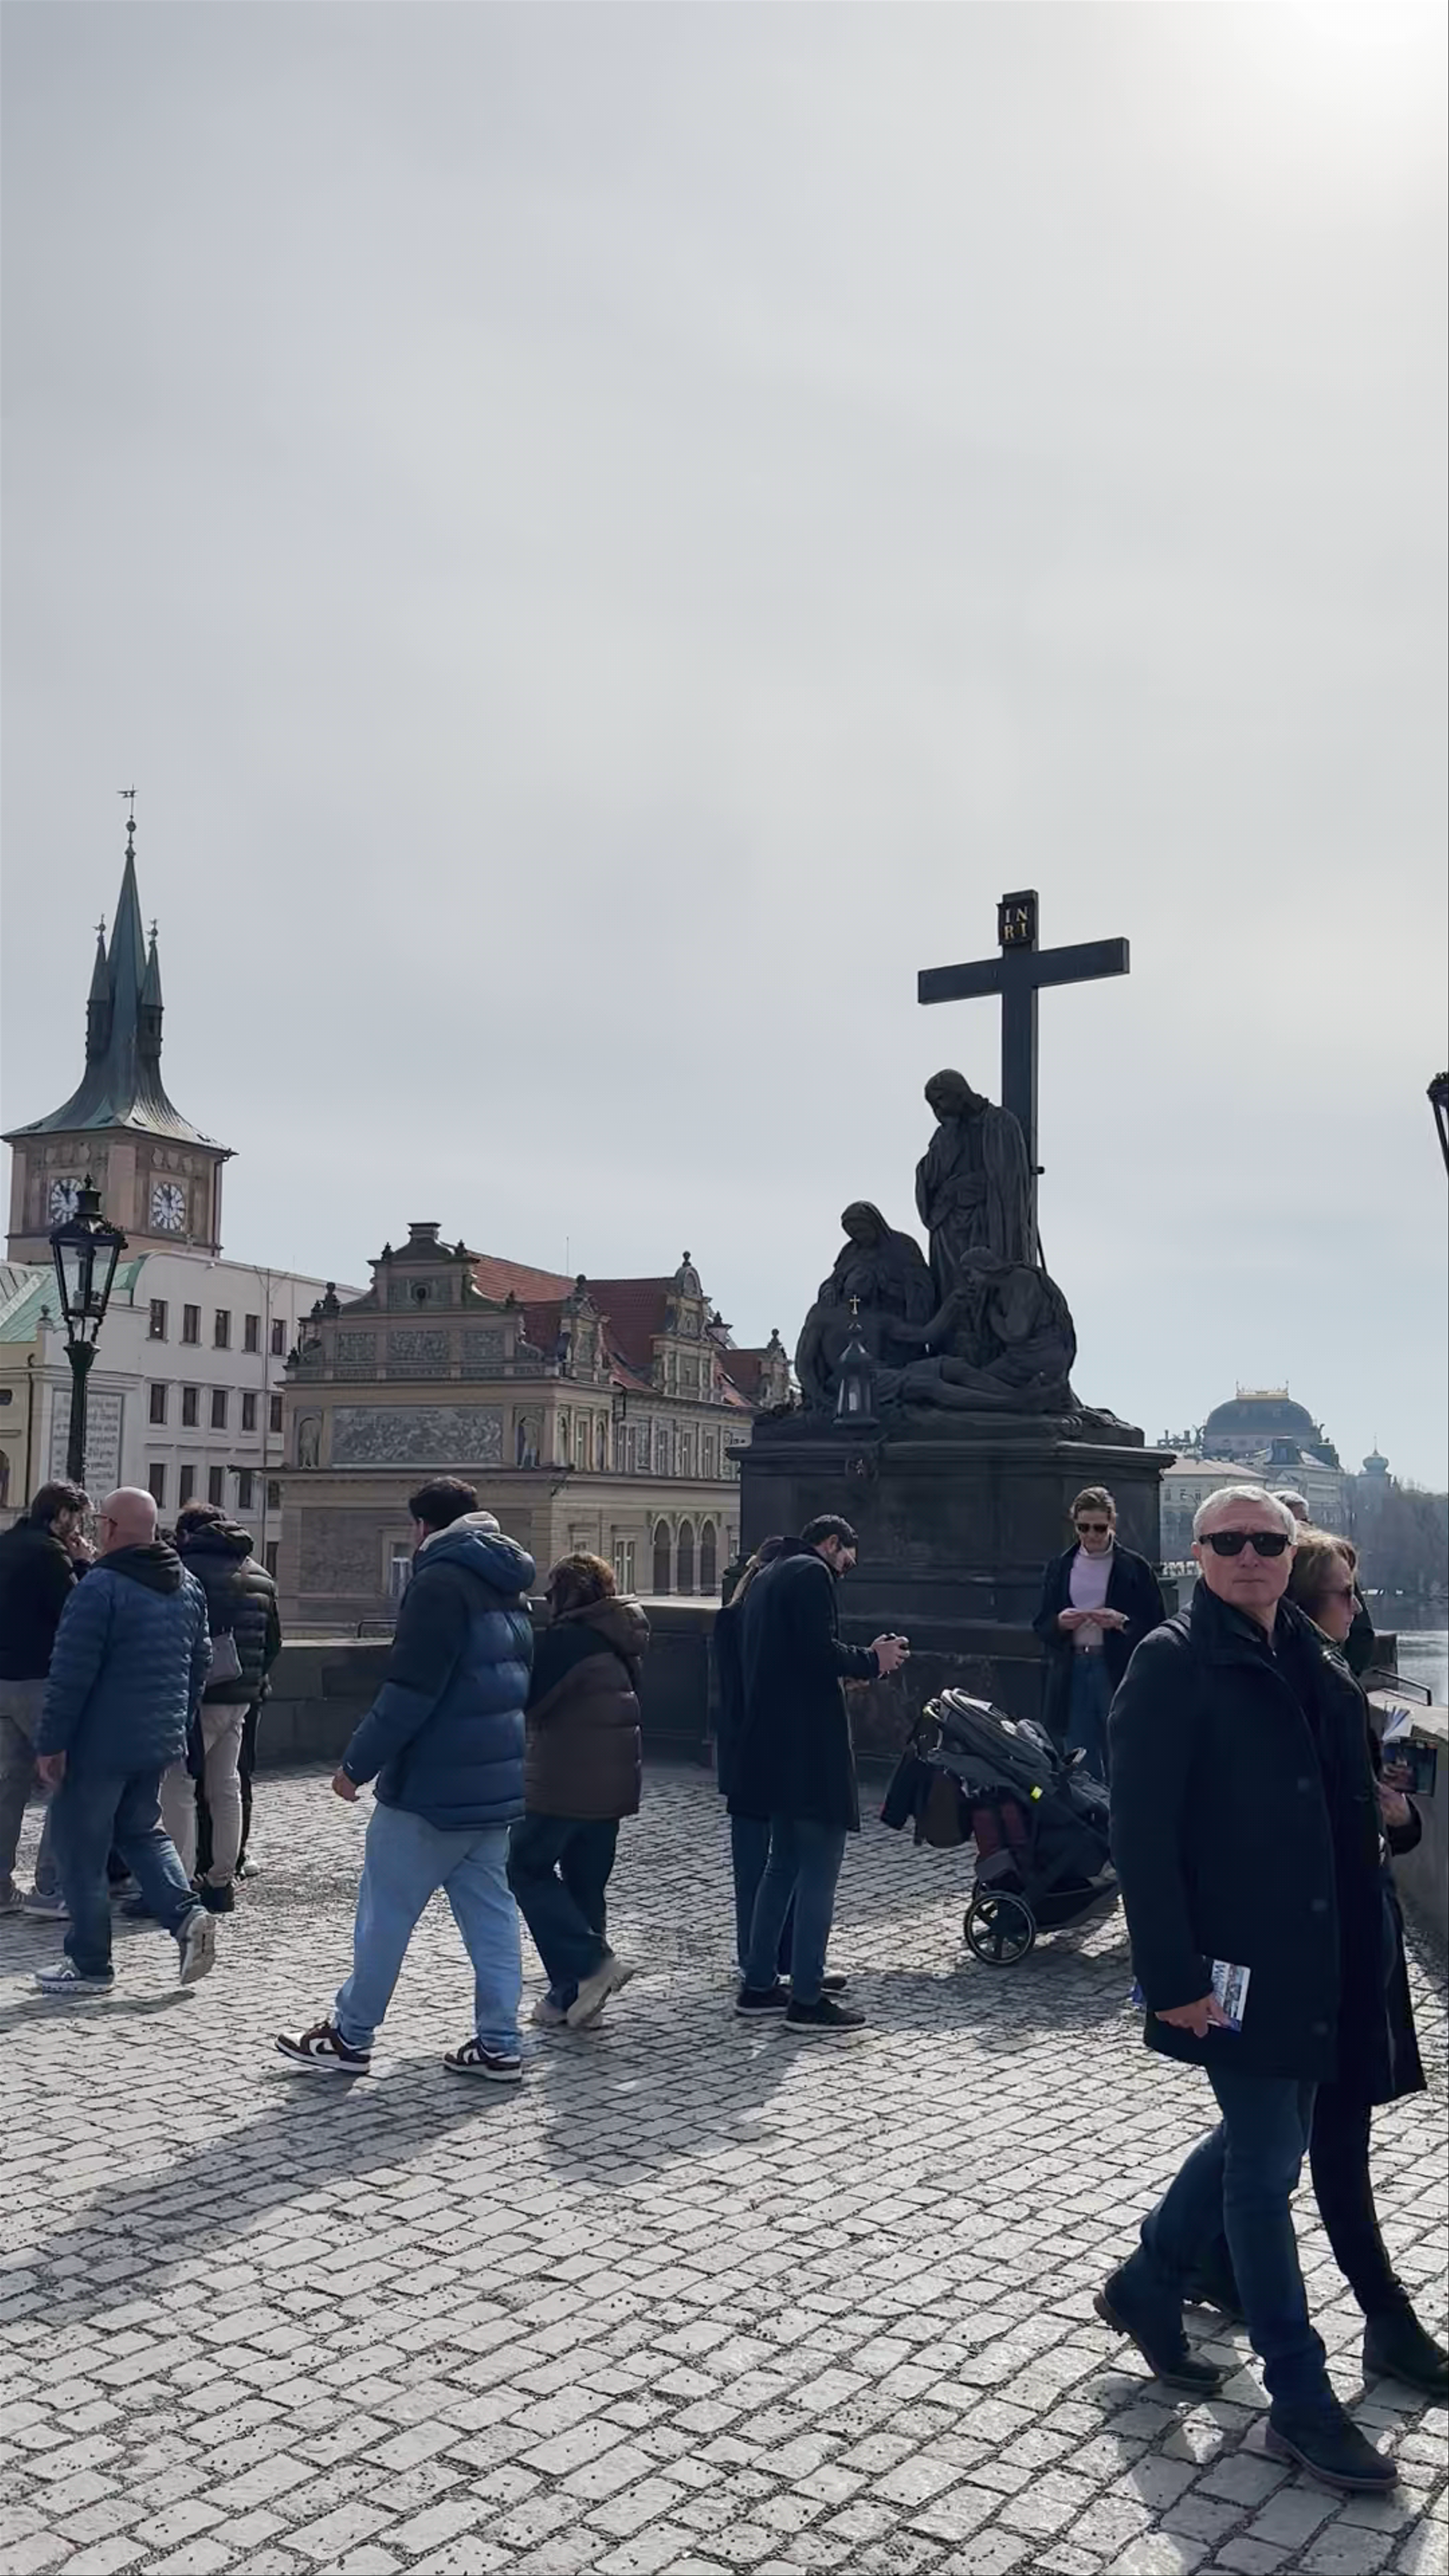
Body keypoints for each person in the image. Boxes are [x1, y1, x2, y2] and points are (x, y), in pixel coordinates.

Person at [1103, 1485, 1398, 2496]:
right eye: (1230, 1542)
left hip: (1315, 1953)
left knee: (1258, 2135)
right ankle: (1301, 2399)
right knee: (1269, 2163)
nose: (1251, 1555)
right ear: (1197, 1553)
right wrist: (1172, 1977)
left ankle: (1150, 2279)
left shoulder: (1306, 1654)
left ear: (1288, 1553)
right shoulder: (1174, 1661)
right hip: (1234, 1963)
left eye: (1269, 1541)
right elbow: (1139, 1836)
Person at [1188, 1527, 1446, 2400]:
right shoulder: (1276, 1692)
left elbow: (1379, 1828)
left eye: (1357, 1590)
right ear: (1298, 1605)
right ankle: (1379, 2322)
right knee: (1318, 2139)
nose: (1358, 1608)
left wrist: (1396, 1815)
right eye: (1342, 1593)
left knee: (1270, 2138)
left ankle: (1166, 2270)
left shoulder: (1344, 1684)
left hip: (1357, 1938)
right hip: (1310, 1953)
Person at [275, 1481, 533, 2081]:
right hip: (493, 1782)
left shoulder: (440, 1581)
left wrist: (355, 1766)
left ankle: (351, 2033)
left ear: (422, 1526)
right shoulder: (508, 1579)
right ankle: (500, 2042)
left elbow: (412, 1689)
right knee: (493, 1916)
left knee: (385, 1912)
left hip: (432, 1787)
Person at [32, 1487, 217, 1996]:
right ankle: (186, 1915)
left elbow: (70, 1675)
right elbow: (200, 1662)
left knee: (81, 1848)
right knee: (141, 1831)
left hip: (97, 1742)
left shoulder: (99, 1587)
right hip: (155, 1739)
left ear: (110, 1528)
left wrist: (51, 1742)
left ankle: (90, 1963)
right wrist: (176, 1723)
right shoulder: (188, 1586)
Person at [731, 1515, 908, 2036]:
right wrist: (874, 1659)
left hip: (773, 1746)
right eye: (849, 1556)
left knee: (781, 1864)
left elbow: (791, 1658)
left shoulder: (768, 1574)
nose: (849, 1568)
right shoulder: (811, 1573)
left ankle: (760, 1983)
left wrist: (857, 1663)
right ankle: (806, 1995)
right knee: (818, 1870)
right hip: (809, 1749)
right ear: (832, 1543)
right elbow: (818, 1652)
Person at [506, 1553, 648, 2030]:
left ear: (567, 1595)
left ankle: (593, 1962)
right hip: (613, 1786)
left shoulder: (569, 1640)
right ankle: (575, 1999)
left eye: (552, 1592)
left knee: (524, 1867)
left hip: (565, 1782)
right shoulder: (621, 1637)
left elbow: (531, 1700)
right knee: (586, 1886)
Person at [158, 1504, 282, 1911]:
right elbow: (274, 1642)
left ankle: (179, 1881)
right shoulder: (259, 1572)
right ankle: (221, 1881)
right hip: (242, 1696)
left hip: (200, 1694)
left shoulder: (186, 1569)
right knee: (226, 1786)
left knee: (179, 1784)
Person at [0, 1480, 91, 1918]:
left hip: (1, 1678)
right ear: (62, 1515)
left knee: (8, 1785)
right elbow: (77, 1612)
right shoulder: (50, 1554)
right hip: (38, 1680)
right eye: (78, 1518)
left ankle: (0, 1886)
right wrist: (84, 1563)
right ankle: (51, 1885)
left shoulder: (6, 1543)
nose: (80, 1527)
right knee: (64, 1779)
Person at [1031, 1486, 1164, 1782]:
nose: (1092, 1535)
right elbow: (1041, 1624)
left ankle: (1121, 1822)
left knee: (1122, 1751)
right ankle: (1090, 1820)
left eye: (1100, 1528)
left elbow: (1157, 1625)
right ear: (1075, 1524)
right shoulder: (1061, 1566)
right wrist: (1061, 1623)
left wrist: (1122, 1621)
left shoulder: (1135, 1567)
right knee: (1079, 1755)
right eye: (1084, 1527)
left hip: (1117, 1668)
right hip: (1074, 1669)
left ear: (1112, 1524)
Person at [713, 1536, 794, 1979]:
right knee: (778, 1863)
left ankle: (758, 1954)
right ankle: (769, 1957)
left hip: (739, 1754)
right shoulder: (758, 1621)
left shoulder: (732, 1616)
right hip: (763, 1752)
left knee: (757, 1865)